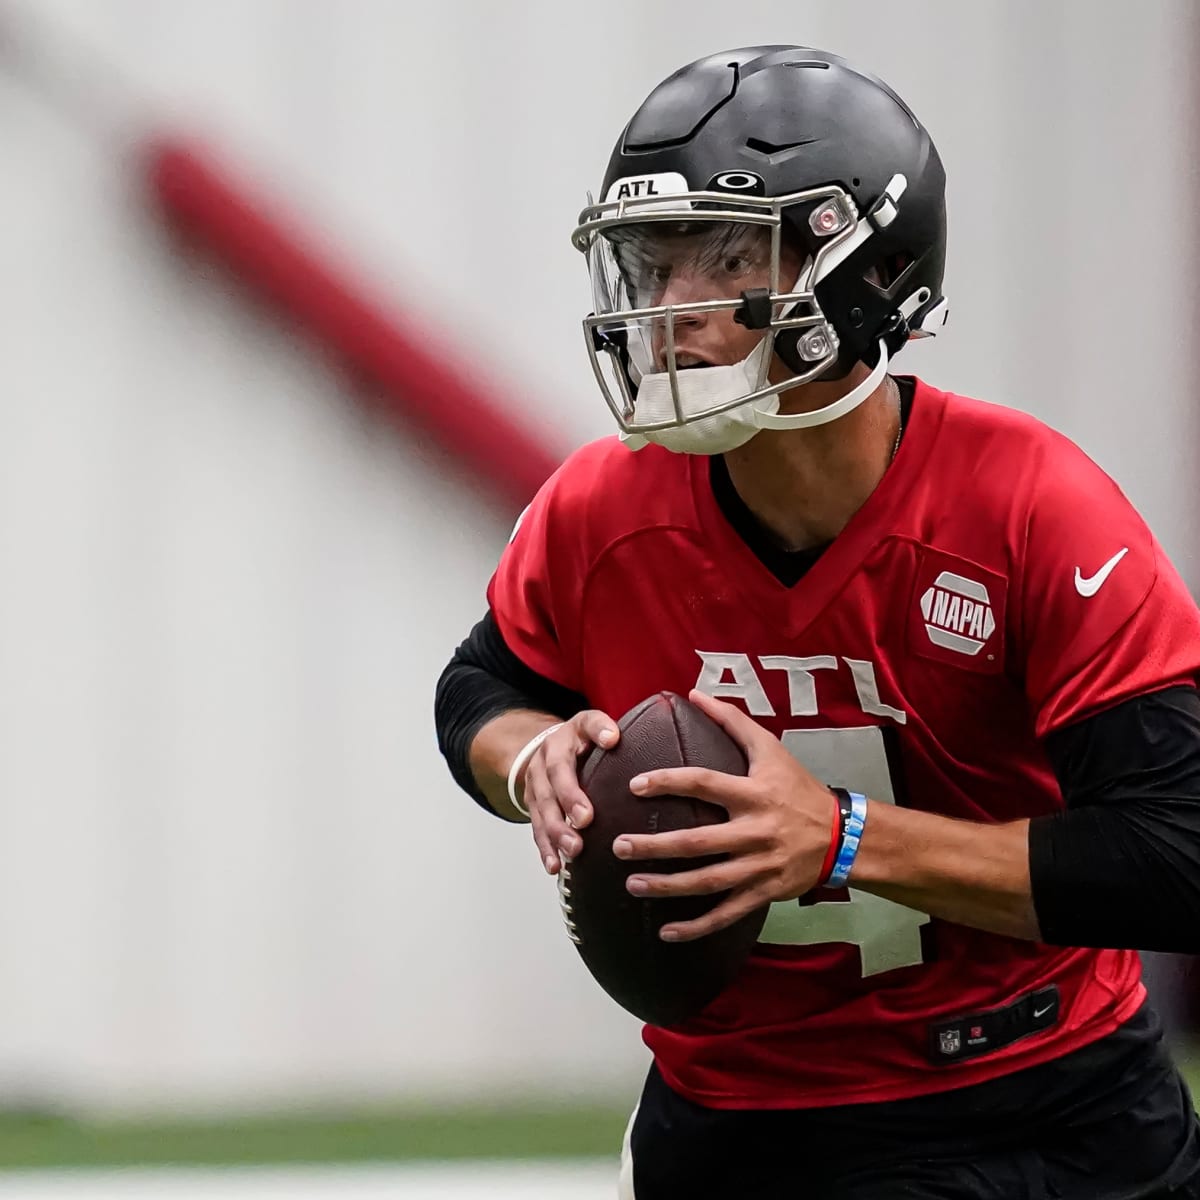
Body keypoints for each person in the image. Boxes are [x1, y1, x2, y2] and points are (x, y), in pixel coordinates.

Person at [434, 44, 1200, 1199]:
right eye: (653, 263)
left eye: (726, 259)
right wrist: (532, 758)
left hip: (1048, 1103)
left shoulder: (1027, 503)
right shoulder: (604, 507)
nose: (667, 310)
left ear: (866, 275)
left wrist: (845, 840)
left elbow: (1178, 856)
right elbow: (481, 690)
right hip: (742, 1119)